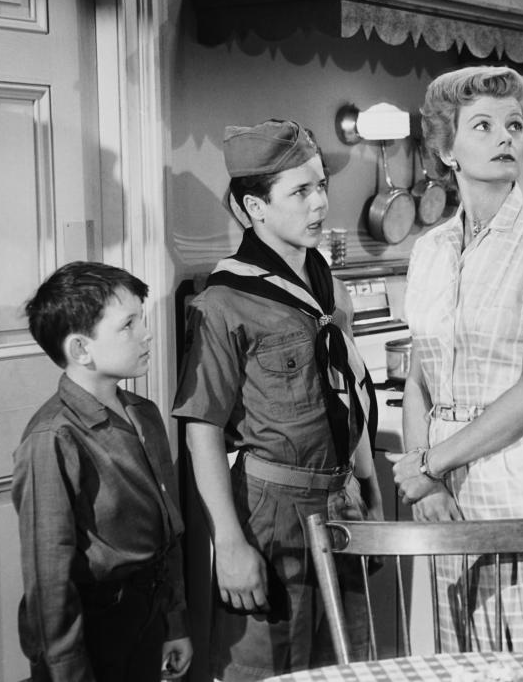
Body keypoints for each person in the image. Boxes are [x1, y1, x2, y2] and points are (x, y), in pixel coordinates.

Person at [388, 66, 523, 652]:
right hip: (440, 475)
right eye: (484, 125)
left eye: (516, 125)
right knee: (458, 656)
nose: (507, 137)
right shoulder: (427, 250)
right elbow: (417, 380)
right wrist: (428, 484)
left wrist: (428, 464)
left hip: (513, 464)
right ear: (446, 150)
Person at [172, 119, 383, 680]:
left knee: (349, 664)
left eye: (321, 187)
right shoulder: (223, 303)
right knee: (272, 669)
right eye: (300, 192)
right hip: (273, 515)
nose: (319, 204)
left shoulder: (329, 285)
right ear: (254, 208)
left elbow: (348, 392)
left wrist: (369, 485)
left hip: (342, 497)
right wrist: (230, 541)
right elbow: (202, 431)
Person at [12, 261, 192, 682]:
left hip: (146, 617)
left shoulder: (144, 416)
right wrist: (68, 671)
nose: (146, 333)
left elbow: (168, 534)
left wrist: (175, 620)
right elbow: (48, 577)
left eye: (142, 319)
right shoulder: (53, 438)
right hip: (94, 631)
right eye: (128, 325)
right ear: (81, 350)